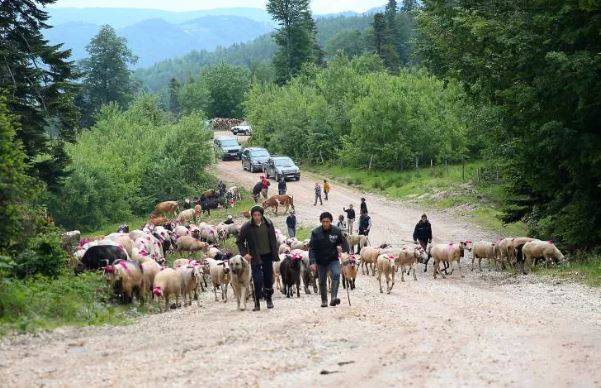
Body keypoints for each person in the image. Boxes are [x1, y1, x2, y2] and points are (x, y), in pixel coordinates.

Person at [236, 206, 279, 311]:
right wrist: (245, 253)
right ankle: (257, 302)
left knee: (268, 278)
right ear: (252, 215)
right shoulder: (247, 226)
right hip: (255, 256)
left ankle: (269, 299)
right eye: (254, 215)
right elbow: (239, 241)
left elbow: (273, 238)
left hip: (268, 254)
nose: (257, 217)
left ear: (262, 215)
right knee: (257, 279)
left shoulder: (268, 223)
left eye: (259, 215)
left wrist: (275, 252)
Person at [309, 212, 349, 307]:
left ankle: (334, 297)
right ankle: (324, 301)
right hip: (320, 260)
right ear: (321, 222)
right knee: (322, 280)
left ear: (331, 221)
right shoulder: (315, 232)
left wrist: (341, 248)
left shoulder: (337, 231)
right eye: (323, 221)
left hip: (333, 258)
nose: (325, 223)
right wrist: (312, 262)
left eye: (327, 221)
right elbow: (312, 248)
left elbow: (344, 244)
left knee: (336, 274)